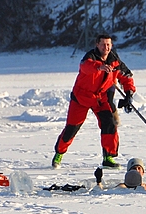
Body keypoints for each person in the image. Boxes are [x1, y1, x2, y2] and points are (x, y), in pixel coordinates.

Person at [52, 34, 136, 169]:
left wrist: (129, 94)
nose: (106, 47)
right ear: (97, 45)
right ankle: (59, 153)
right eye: (103, 44)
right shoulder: (90, 57)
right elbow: (86, 67)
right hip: (81, 98)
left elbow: (127, 76)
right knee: (71, 129)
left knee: (110, 124)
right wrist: (99, 67)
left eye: (108, 44)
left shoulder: (115, 61)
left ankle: (108, 157)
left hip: (101, 98)